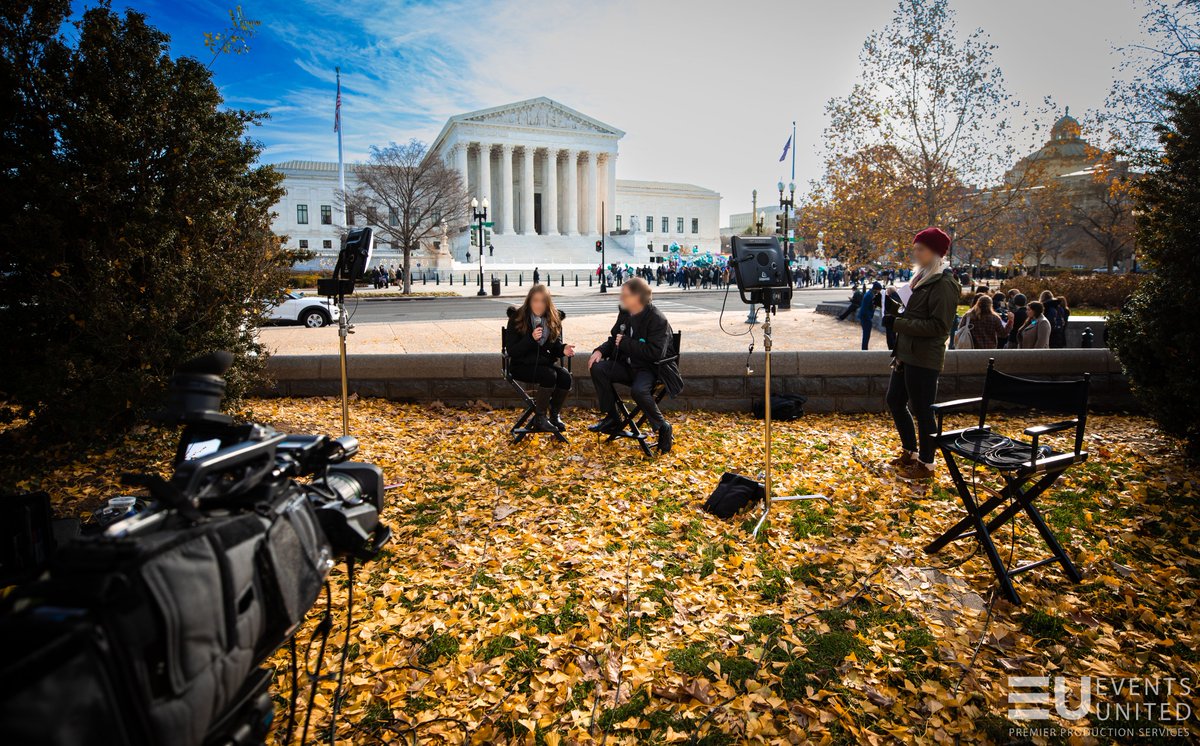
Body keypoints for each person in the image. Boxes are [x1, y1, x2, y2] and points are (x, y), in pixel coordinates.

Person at [881, 227, 960, 480]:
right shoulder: (922, 277)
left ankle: (927, 465)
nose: (915, 253)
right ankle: (911, 452)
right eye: (915, 248)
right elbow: (915, 311)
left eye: (920, 249)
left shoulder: (945, 283)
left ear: (935, 252)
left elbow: (940, 327)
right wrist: (895, 301)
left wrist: (897, 323)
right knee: (895, 400)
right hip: (906, 352)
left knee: (923, 410)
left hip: (925, 356)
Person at [587, 277, 681, 453]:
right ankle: (613, 417)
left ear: (638, 297)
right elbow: (614, 339)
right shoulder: (625, 313)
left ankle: (663, 427)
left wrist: (626, 343)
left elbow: (655, 353)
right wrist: (599, 351)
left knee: (638, 391)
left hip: (650, 369)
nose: (621, 298)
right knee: (598, 367)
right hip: (627, 366)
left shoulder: (657, 319)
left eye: (625, 295)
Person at [506, 285, 575, 432]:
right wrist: (530, 339)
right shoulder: (517, 318)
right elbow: (512, 351)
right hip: (520, 365)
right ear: (529, 301)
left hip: (543, 364)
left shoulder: (552, 319)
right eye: (535, 301)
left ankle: (554, 416)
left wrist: (563, 349)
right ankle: (540, 418)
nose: (539, 305)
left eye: (543, 301)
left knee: (565, 377)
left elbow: (554, 346)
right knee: (549, 375)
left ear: (548, 303)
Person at [858, 281, 882, 350]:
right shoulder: (869, 295)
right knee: (866, 335)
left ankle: (865, 348)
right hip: (866, 318)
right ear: (876, 289)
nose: (879, 292)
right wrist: (869, 319)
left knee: (866, 335)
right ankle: (864, 349)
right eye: (878, 290)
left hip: (866, 317)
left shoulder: (870, 294)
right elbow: (865, 308)